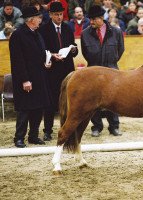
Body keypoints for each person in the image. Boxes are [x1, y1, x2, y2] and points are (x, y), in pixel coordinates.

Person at [9, 6, 52, 148]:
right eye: (39, 18)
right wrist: (25, 80)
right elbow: (17, 60)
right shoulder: (18, 35)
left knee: (38, 108)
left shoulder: (37, 34)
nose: (41, 20)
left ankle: (33, 136)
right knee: (24, 109)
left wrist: (47, 62)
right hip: (25, 79)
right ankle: (19, 138)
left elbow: (41, 54)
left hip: (40, 77)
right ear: (31, 19)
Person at [81, 5, 124, 137]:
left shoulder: (116, 31)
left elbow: (121, 50)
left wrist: (112, 62)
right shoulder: (85, 33)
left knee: (114, 100)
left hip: (112, 71)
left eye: (93, 19)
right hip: (94, 73)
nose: (91, 22)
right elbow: (85, 53)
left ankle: (114, 126)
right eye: (90, 19)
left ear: (101, 18)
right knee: (94, 101)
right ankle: (97, 127)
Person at [39, 1, 78, 141]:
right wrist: (52, 55)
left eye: (61, 14)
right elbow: (41, 50)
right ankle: (48, 130)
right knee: (51, 102)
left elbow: (74, 49)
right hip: (52, 71)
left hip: (67, 69)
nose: (59, 17)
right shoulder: (43, 29)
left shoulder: (68, 28)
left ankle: (68, 129)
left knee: (68, 101)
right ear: (50, 15)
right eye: (56, 15)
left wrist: (73, 49)